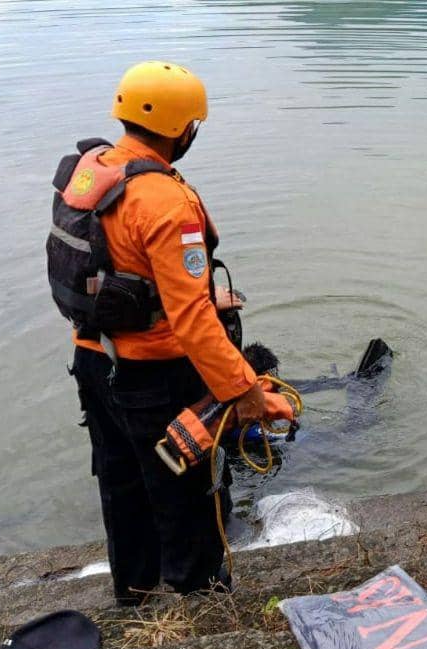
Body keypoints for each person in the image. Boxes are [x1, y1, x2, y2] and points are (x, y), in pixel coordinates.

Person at [48, 62, 265, 604]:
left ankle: (136, 595)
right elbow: (193, 322)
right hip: (154, 377)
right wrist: (245, 389)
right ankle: (201, 606)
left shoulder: (89, 170)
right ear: (180, 127)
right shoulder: (167, 200)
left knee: (121, 487)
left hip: (94, 358)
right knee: (186, 494)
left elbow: (114, 267)